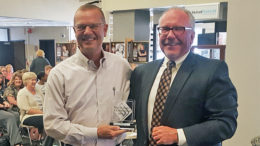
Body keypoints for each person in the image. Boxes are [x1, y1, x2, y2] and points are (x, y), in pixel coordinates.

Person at [129, 7, 238, 146]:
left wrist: (179, 135)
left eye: (178, 29)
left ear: (192, 36)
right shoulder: (142, 72)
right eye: (165, 29)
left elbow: (226, 123)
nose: (170, 35)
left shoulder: (212, 70)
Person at [43, 4, 131, 146]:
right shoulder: (59, 74)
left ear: (105, 29)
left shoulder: (122, 67)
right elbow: (52, 125)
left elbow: (128, 108)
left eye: (94, 26)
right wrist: (95, 133)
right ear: (74, 30)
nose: (87, 32)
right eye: (81, 27)